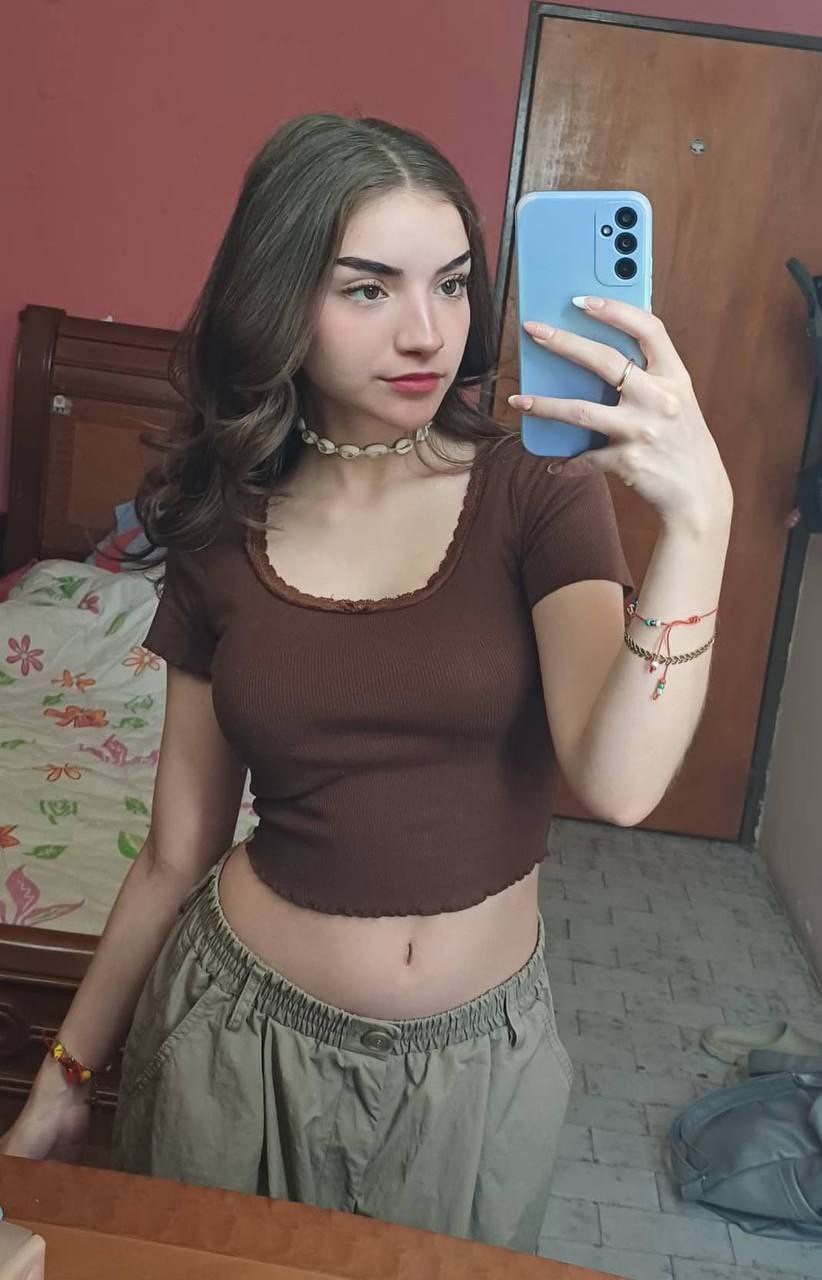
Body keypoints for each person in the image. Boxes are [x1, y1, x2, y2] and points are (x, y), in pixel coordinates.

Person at [0, 114, 733, 1253]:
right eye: (368, 288)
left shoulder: (535, 490)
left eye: (452, 283)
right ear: (279, 297)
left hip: (474, 1069)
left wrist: (702, 521)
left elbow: (620, 779)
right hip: (233, 1045)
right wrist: (65, 1071)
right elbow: (176, 853)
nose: (426, 331)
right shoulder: (221, 523)